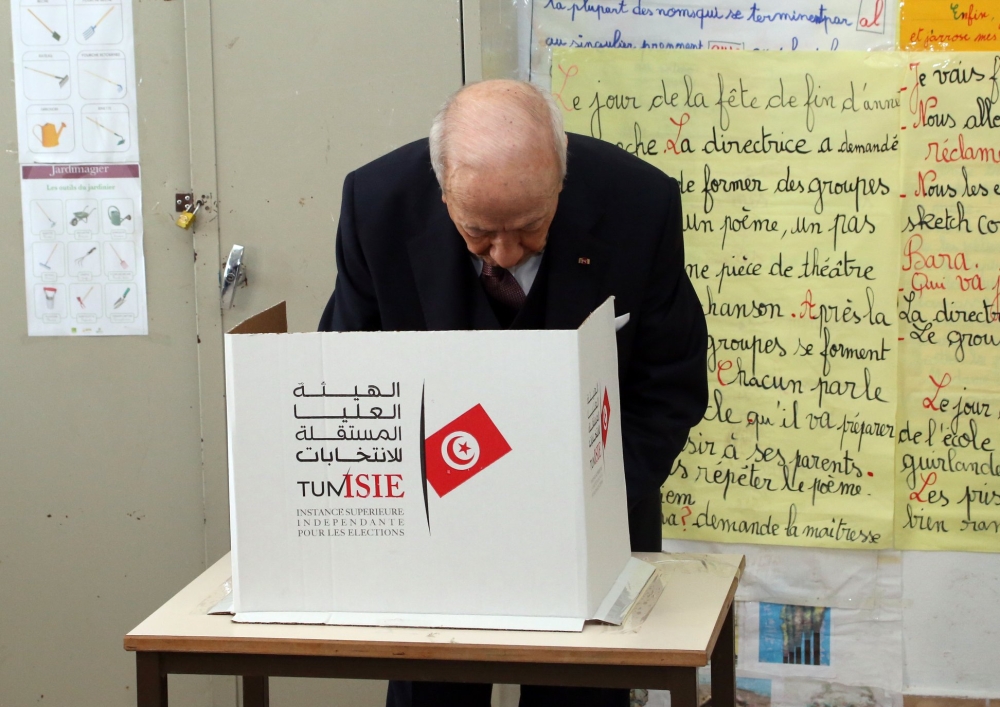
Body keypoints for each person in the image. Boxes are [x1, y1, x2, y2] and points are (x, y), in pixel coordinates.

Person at [319, 79, 708, 707]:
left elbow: (669, 383)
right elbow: (350, 378)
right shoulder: (377, 203)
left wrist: (595, 502)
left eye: (530, 227)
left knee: (581, 697)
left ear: (561, 179)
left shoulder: (641, 204)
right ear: (441, 186)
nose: (503, 252)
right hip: (432, 532)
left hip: (591, 526)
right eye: (477, 231)